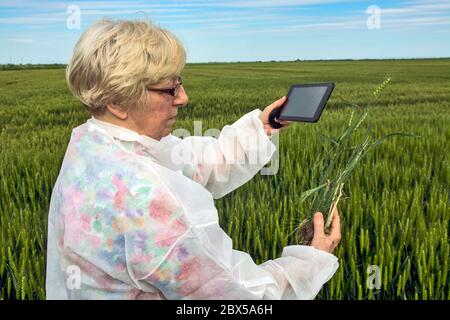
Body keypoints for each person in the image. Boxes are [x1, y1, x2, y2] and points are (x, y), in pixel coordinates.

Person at [46, 18, 341, 300]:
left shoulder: (91, 145)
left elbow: (190, 162)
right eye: (170, 89)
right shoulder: (148, 202)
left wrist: (262, 127)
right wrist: (313, 262)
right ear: (118, 101)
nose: (183, 97)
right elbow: (241, 297)